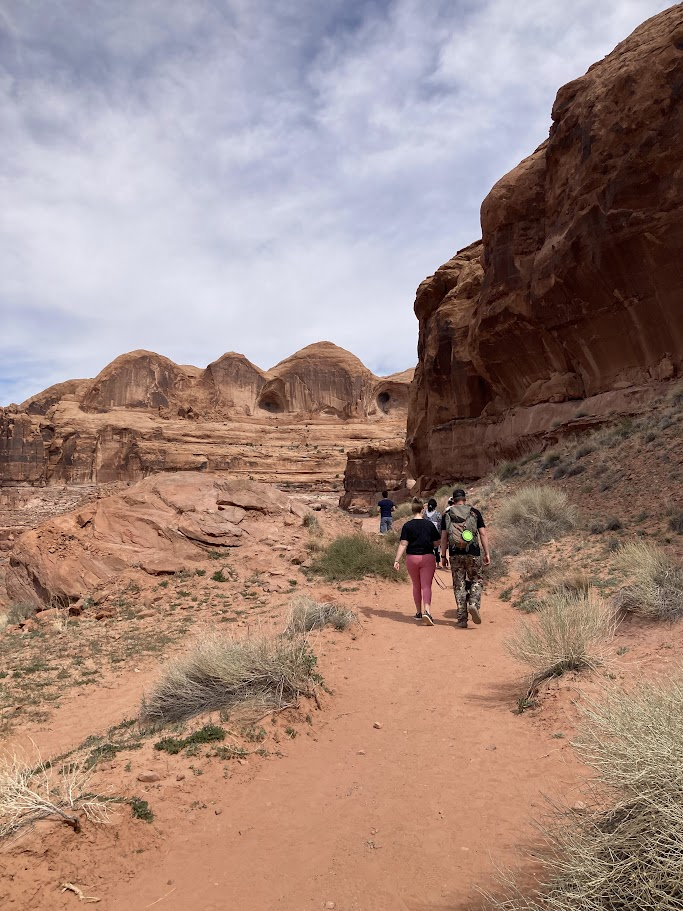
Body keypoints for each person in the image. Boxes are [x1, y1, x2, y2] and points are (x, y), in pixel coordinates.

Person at [440, 488, 491, 628]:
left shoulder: (447, 514)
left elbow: (444, 538)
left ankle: (462, 619)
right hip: (473, 552)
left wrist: (443, 556)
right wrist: (486, 553)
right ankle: (474, 603)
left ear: (453, 500)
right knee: (476, 580)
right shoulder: (474, 512)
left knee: (459, 585)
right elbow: (483, 534)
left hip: (455, 554)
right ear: (465, 499)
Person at [394, 497, 441, 625]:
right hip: (427, 558)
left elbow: (403, 544)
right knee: (426, 586)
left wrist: (397, 560)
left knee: (416, 585)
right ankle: (427, 612)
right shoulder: (429, 525)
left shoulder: (407, 525)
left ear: (412, 509)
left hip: (412, 558)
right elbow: (436, 543)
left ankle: (418, 613)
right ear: (422, 509)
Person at [423, 497, 442, 564]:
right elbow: (440, 525)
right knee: (436, 548)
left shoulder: (425, 513)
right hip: (435, 533)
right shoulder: (437, 514)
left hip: (426, 533)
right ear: (435, 506)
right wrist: (440, 535)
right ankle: (437, 563)